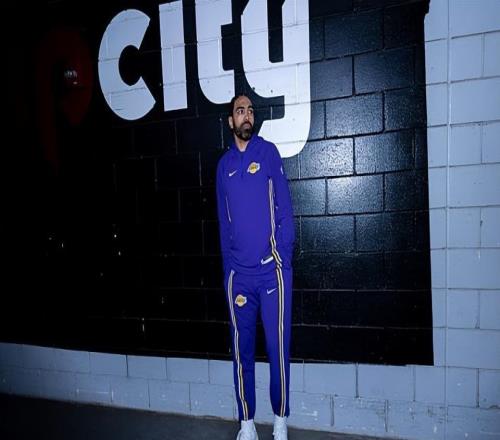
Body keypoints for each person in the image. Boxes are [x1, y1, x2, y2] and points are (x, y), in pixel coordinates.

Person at [216, 95, 295, 440]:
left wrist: (283, 256)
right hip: (240, 278)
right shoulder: (224, 167)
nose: (246, 115)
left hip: (272, 273)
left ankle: (280, 420)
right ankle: (246, 423)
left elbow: (285, 209)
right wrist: (228, 273)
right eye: (240, 111)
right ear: (231, 122)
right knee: (242, 352)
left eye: (249, 110)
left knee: (278, 350)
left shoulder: (268, 153)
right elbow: (223, 223)